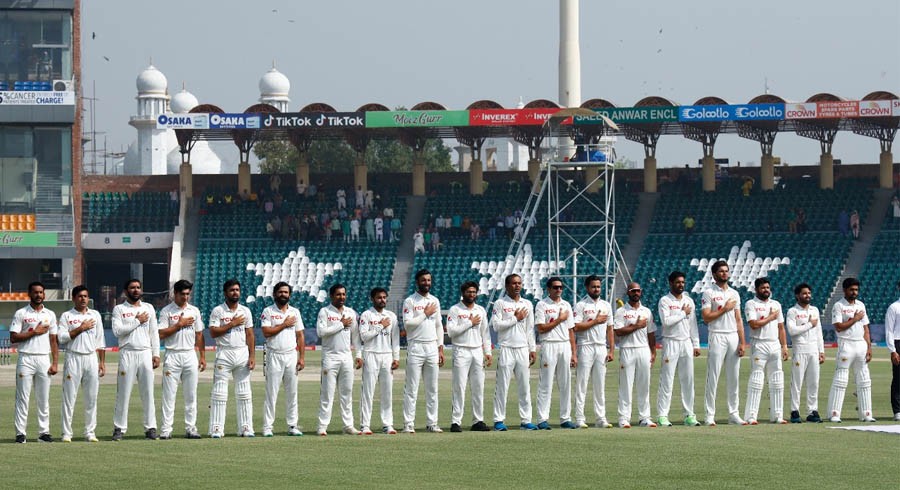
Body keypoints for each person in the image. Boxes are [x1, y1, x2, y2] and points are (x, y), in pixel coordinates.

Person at [10, 281, 59, 443]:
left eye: (41, 292)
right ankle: (20, 434)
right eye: (35, 292)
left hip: (44, 358)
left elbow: (53, 340)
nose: (38, 295)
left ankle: (44, 433)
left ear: (44, 294)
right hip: (26, 358)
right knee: (23, 398)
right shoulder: (21, 313)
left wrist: (55, 363)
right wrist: (34, 332)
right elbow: (13, 337)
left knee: (43, 398)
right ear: (29, 294)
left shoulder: (50, 314)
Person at [111, 278, 160, 441]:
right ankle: (119, 428)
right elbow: (117, 331)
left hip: (145, 352)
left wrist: (156, 354)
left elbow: (154, 333)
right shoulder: (119, 309)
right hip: (127, 352)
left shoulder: (149, 308)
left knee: (148, 393)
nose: (136, 290)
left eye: (138, 287)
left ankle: (150, 428)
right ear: (126, 291)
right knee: (123, 393)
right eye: (132, 288)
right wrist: (137, 321)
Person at [157, 280, 205, 440]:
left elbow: (199, 334)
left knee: (191, 395)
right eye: (182, 294)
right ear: (175, 294)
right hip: (172, 354)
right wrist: (179, 325)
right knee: (169, 395)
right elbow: (160, 334)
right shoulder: (167, 311)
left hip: (190, 354)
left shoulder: (194, 311)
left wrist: (202, 356)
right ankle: (166, 430)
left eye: (187, 294)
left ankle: (191, 428)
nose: (185, 297)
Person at [208, 279, 256, 438]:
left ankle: (246, 428)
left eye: (237, 290)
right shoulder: (218, 311)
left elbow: (250, 334)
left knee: (244, 392)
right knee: (219, 392)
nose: (235, 292)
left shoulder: (245, 311)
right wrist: (232, 323)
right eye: (232, 290)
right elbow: (213, 332)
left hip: (242, 352)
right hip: (224, 353)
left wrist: (252, 355)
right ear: (225, 293)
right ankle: (216, 428)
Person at [702, 260, 747, 426]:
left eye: (726, 271)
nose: (724, 273)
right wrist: (725, 308)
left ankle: (734, 413)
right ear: (714, 274)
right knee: (713, 376)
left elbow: (739, 319)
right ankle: (709, 415)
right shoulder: (708, 293)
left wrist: (742, 342)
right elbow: (706, 317)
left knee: (734, 377)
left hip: (733, 336)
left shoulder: (734, 293)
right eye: (721, 271)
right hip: (717, 335)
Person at [57, 285, 105, 442]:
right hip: (73, 357)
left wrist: (102, 362)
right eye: (80, 296)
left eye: (85, 296)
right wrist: (80, 328)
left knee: (92, 398)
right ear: (73, 298)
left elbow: (100, 340)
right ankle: (66, 433)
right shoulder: (67, 316)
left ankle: (90, 432)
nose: (83, 299)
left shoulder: (95, 315)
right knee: (69, 398)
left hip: (91, 358)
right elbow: (61, 338)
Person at [491, 274, 537, 431]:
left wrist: (532, 348)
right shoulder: (500, 303)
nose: (517, 286)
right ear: (507, 286)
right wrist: (515, 318)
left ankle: (526, 420)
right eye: (513, 283)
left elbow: (530, 329)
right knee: (502, 386)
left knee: (525, 386)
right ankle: (498, 420)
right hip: (506, 348)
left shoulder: (527, 304)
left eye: (519, 283)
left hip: (523, 349)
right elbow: (496, 326)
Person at [401, 269, 445, 433]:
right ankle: (408, 424)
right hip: (416, 346)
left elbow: (438, 325)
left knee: (432, 388)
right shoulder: (410, 301)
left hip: (432, 347)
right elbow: (408, 324)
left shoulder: (435, 300)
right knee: (412, 388)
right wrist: (425, 314)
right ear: (417, 282)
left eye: (428, 280)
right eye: (423, 280)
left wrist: (440, 348)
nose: (426, 283)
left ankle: (432, 423)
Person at [656, 271, 701, 427]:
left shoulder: (689, 301)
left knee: (688, 380)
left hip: (686, 342)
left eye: (682, 282)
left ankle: (689, 415)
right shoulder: (665, 301)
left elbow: (693, 324)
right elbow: (666, 322)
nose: (681, 285)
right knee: (667, 380)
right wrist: (683, 313)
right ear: (671, 283)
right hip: (671, 342)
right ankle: (662, 415)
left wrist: (696, 343)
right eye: (677, 282)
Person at [260, 282, 305, 437]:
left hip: (291, 355)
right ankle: (267, 426)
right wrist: (284, 324)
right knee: (271, 393)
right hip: (274, 355)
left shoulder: (295, 312)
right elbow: (266, 332)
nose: (283, 295)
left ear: (289, 295)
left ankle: (292, 425)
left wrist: (301, 358)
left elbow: (300, 335)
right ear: (274, 294)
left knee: (292, 392)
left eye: (286, 292)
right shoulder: (268, 311)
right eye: (280, 292)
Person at [827, 277, 875, 422]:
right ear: (844, 290)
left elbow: (866, 328)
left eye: (856, 290)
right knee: (841, 379)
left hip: (861, 344)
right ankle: (834, 414)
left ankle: (866, 414)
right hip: (846, 344)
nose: (854, 292)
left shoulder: (861, 305)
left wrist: (869, 347)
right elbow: (838, 327)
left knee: (864, 380)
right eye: (851, 290)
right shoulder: (838, 306)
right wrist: (854, 319)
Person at [446, 281, 492, 432]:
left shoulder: (480, 310)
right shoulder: (455, 310)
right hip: (461, 350)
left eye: (474, 292)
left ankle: (478, 420)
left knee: (478, 387)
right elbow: (451, 332)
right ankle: (455, 422)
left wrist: (488, 352)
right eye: (469, 292)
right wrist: (469, 323)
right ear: (463, 293)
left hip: (477, 351)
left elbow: (485, 334)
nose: (471, 294)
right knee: (459, 387)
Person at [743, 278, 789, 425]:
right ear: (756, 289)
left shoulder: (776, 304)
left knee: (777, 380)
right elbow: (754, 324)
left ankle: (777, 415)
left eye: (768, 287)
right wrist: (770, 317)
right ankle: (751, 416)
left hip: (774, 344)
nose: (766, 290)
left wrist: (784, 346)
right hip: (759, 344)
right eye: (763, 288)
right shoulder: (751, 304)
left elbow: (781, 327)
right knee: (757, 380)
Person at [534, 277, 578, 430]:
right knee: (546, 383)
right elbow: (541, 328)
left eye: (560, 287)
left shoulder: (566, 305)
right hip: (549, 344)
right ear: (548, 289)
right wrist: (559, 319)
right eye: (555, 287)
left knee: (566, 383)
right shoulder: (542, 305)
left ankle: (565, 418)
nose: (559, 290)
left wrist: (574, 353)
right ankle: (542, 419)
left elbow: (570, 330)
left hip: (564, 345)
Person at [316, 284, 359, 436]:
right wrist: (341, 324)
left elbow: (356, 336)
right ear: (331, 296)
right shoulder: (325, 312)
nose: (342, 297)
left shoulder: (350, 312)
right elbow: (321, 332)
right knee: (327, 394)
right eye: (338, 294)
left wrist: (358, 355)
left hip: (346, 357)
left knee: (347, 393)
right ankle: (322, 426)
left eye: (343, 294)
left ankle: (348, 425)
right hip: (330, 357)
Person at [572, 275, 615, 429]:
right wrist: (595, 321)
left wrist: (611, 349)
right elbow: (576, 327)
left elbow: (610, 328)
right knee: (581, 384)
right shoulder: (581, 305)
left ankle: (601, 418)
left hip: (601, 348)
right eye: (593, 287)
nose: (596, 289)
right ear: (587, 288)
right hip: (585, 346)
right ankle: (579, 418)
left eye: (598, 286)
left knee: (600, 384)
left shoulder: (606, 305)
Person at [356, 287, 400, 435]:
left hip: (387, 355)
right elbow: (364, 336)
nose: (382, 300)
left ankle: (387, 424)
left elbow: (395, 339)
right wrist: (381, 326)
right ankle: (365, 425)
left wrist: (396, 357)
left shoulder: (391, 316)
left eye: (384, 297)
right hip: (370, 354)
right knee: (368, 392)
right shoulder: (366, 315)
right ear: (372, 299)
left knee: (387, 392)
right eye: (379, 297)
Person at [614, 282, 657, 428]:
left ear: (641, 292)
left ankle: (645, 417)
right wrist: (637, 326)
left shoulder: (647, 311)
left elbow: (651, 333)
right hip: (627, 349)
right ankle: (623, 418)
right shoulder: (621, 311)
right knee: (626, 385)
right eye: (633, 291)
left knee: (644, 385)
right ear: (628, 292)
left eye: (638, 290)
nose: (636, 293)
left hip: (643, 350)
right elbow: (618, 331)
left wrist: (653, 351)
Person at [785, 283, 824, 423]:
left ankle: (812, 411)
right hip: (800, 349)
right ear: (797, 295)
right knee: (797, 382)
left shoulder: (814, 310)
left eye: (809, 293)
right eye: (804, 293)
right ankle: (794, 411)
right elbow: (792, 331)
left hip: (813, 350)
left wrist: (821, 350)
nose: (807, 295)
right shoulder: (792, 311)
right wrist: (809, 324)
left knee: (814, 382)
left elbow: (818, 332)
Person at [886, 281, 900, 421]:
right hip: (898, 342)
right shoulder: (894, 307)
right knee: (898, 378)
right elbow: (889, 330)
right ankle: (897, 410)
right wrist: (893, 350)